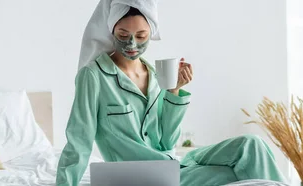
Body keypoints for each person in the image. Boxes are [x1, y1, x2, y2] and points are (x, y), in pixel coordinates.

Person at [56, 1, 286, 185]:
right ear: (111, 30)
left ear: (151, 33)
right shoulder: (93, 76)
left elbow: (166, 141)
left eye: (141, 35)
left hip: (172, 164)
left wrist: (175, 91)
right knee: (236, 176)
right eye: (123, 35)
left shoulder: (155, 75)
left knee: (252, 145)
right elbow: (79, 141)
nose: (132, 43)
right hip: (139, 177)